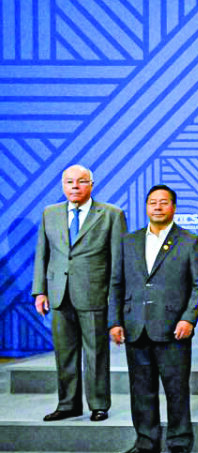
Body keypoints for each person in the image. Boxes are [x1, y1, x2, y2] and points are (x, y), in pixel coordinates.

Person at [106, 185, 198, 453]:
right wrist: (115, 321)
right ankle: (146, 442)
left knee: (176, 388)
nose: (158, 207)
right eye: (152, 203)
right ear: (146, 207)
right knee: (141, 389)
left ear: (173, 207)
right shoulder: (129, 241)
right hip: (135, 325)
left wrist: (188, 318)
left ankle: (179, 441)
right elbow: (115, 283)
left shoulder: (188, 241)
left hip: (173, 327)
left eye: (164, 202)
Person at [33, 165, 126, 422]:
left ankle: (98, 404)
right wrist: (40, 291)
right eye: (69, 182)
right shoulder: (49, 214)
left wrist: (115, 298)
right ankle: (68, 404)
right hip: (59, 293)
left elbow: (118, 261)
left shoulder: (111, 215)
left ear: (91, 185)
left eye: (81, 181)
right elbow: (42, 254)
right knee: (64, 353)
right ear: (62, 185)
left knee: (96, 352)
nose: (74, 186)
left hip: (94, 292)